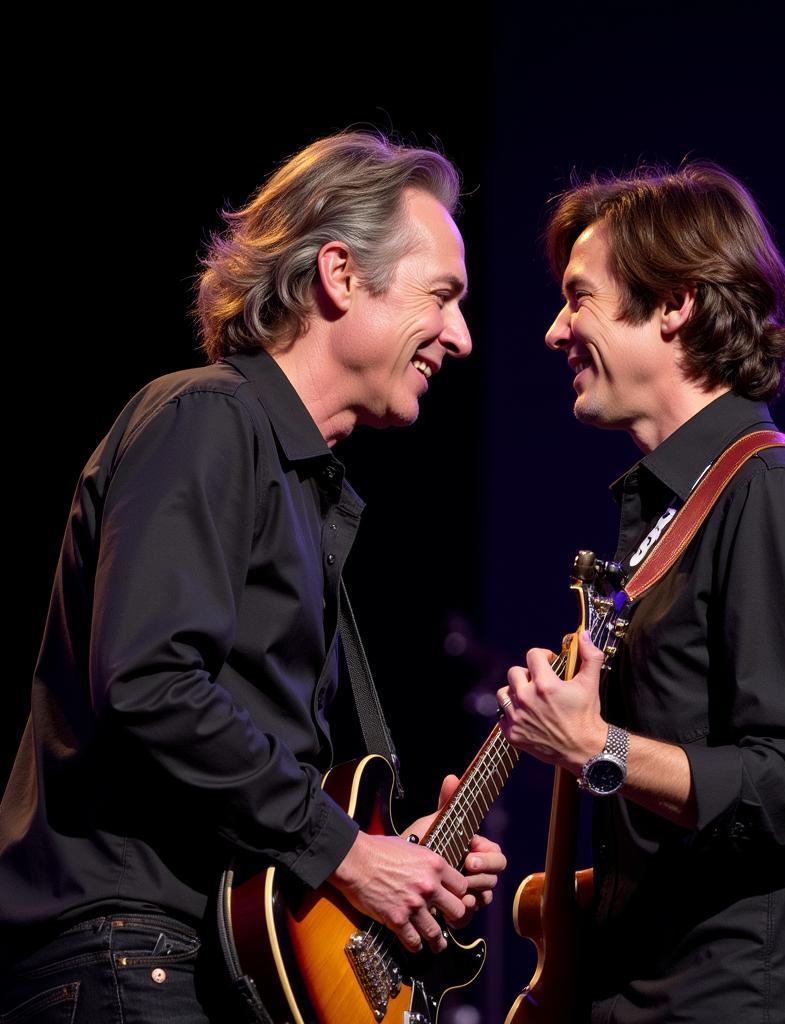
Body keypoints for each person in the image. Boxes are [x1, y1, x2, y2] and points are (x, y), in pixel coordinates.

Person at [0, 132, 505, 1022]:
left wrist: (392, 855)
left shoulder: (302, 484)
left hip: (200, 962)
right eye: (443, 297)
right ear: (341, 276)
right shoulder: (206, 418)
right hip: (133, 956)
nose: (461, 337)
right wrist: (346, 852)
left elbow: (254, 772)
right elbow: (150, 683)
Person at [498, 162, 785, 1023]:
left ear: (676, 302)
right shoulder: (682, 513)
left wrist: (599, 748)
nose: (553, 330)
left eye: (579, 297)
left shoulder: (773, 497)